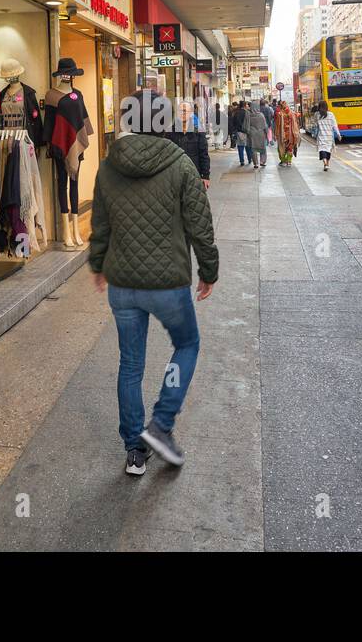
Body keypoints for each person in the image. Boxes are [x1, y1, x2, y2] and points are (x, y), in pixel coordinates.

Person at [90, 94, 219, 477]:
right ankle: (161, 425)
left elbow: (101, 225)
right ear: (164, 123)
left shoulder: (108, 166)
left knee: (130, 363)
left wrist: (98, 265)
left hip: (123, 283)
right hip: (168, 284)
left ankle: (134, 450)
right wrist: (208, 270)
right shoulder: (180, 163)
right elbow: (200, 224)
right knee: (187, 344)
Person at [168, 100, 211, 190]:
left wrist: (205, 176)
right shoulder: (170, 132)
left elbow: (204, 155)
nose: (182, 113)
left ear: (191, 113)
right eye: (180, 111)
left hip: (194, 174)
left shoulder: (198, 132)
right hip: (175, 175)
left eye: (185, 111)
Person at [313, 101, 341, 170]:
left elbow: (315, 125)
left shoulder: (317, 115)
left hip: (321, 136)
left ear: (319, 107)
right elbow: (335, 125)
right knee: (328, 151)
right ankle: (327, 164)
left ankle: (325, 163)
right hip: (329, 137)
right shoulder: (331, 114)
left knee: (322, 150)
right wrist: (338, 134)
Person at [274, 100, 299, 166]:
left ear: (281, 106)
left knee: (282, 148)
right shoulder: (292, 113)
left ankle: (283, 161)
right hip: (291, 133)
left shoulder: (280, 114)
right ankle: (289, 161)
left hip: (282, 134)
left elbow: (277, 125)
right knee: (290, 148)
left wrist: (276, 134)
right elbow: (296, 121)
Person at [244, 100, 267, 169]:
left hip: (252, 134)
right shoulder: (261, 115)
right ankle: (262, 161)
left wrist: (247, 132)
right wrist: (266, 133)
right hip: (261, 133)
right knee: (263, 148)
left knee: (253, 149)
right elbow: (265, 126)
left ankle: (255, 163)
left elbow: (246, 125)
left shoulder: (248, 115)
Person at [232, 101, 249, 165]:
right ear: (244, 105)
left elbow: (233, 122)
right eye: (246, 104)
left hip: (239, 131)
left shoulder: (236, 112)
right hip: (246, 131)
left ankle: (242, 161)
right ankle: (250, 159)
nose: (247, 106)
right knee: (248, 147)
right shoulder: (247, 112)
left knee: (240, 147)